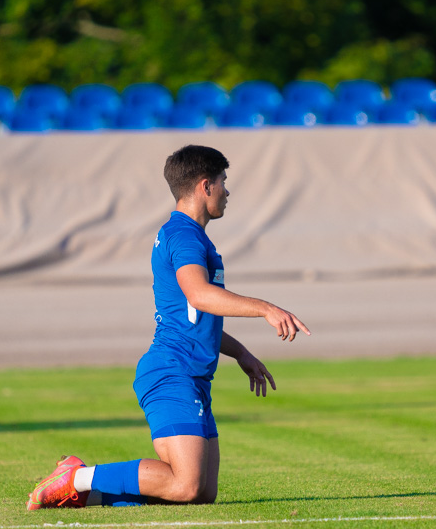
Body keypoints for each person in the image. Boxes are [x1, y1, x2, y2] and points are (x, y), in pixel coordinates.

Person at [27, 144, 310, 509]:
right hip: (171, 371)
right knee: (186, 484)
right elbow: (199, 295)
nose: (228, 191)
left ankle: (88, 497)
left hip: (190, 374)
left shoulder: (190, 235)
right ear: (205, 186)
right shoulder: (184, 235)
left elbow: (195, 315)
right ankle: (77, 476)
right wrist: (266, 309)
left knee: (202, 493)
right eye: (224, 182)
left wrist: (241, 353)